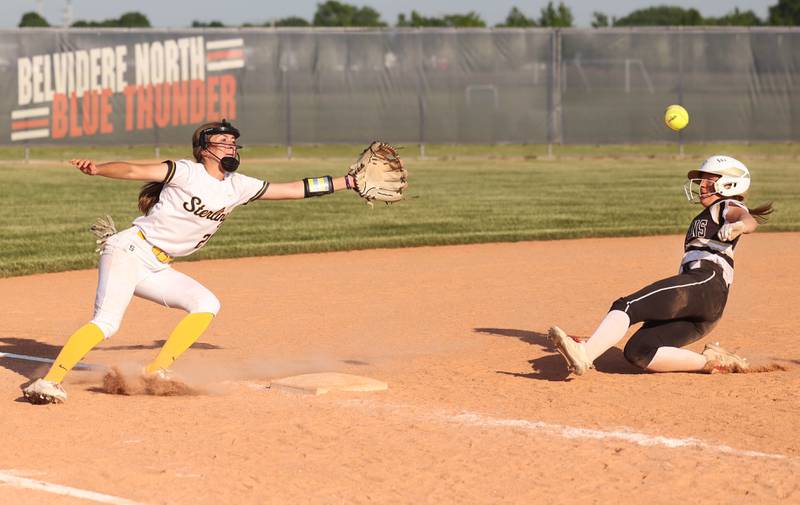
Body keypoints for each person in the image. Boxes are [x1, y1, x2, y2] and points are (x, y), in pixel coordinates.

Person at [22, 119, 361, 404]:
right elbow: (133, 169)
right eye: (223, 141)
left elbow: (294, 189)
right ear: (204, 148)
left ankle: (155, 369)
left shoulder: (238, 186)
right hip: (129, 250)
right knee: (108, 323)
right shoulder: (185, 171)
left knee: (205, 303)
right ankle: (49, 381)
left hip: (157, 264)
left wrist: (348, 182)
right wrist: (98, 169)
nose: (231, 147)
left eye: (233, 143)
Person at [548, 155, 773, 376]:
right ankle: (711, 361)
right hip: (706, 303)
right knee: (639, 351)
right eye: (702, 180)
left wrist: (739, 226)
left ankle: (584, 354)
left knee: (627, 306)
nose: (702, 186)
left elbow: (747, 218)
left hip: (706, 282)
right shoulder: (708, 213)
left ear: (729, 184)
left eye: (709, 180)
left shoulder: (727, 204)